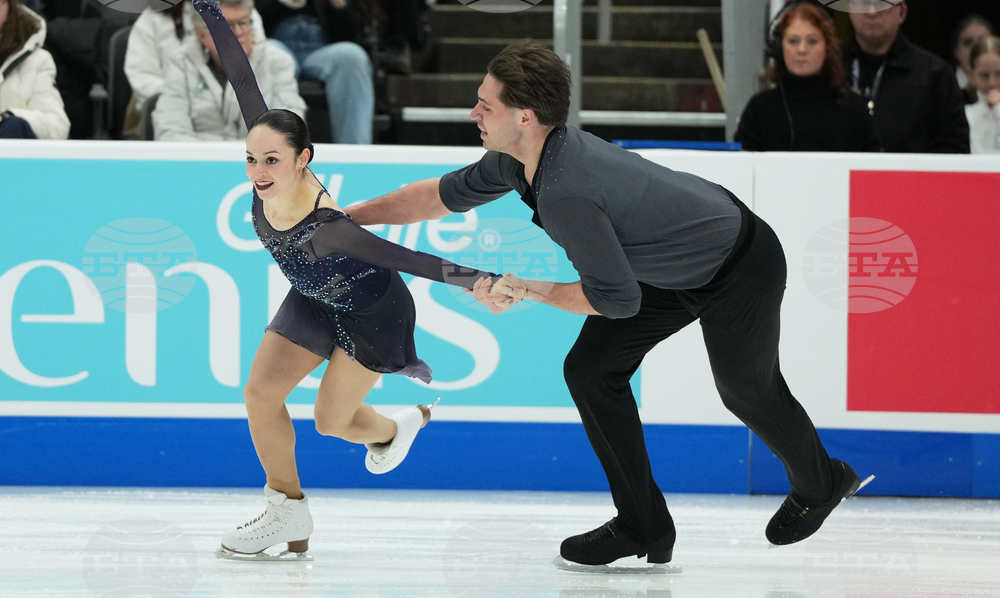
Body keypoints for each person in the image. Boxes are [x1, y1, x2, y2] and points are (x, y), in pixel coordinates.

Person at [344, 38, 867, 569]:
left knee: (747, 392)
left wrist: (524, 287)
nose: (473, 112)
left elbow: (614, 300)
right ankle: (644, 524)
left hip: (738, 263)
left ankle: (821, 483)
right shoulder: (513, 161)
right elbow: (437, 196)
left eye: (486, 104)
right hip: (665, 262)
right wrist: (350, 217)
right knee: (592, 370)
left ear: (525, 117)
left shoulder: (565, 190)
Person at [186, 0, 497, 559]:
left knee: (332, 422)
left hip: (373, 313)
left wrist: (477, 278)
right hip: (315, 295)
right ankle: (286, 510)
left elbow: (407, 259)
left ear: (304, 158)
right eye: (250, 159)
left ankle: (398, 426)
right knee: (260, 393)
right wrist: (207, 4)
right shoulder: (269, 142)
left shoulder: (328, 228)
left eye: (271, 161)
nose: (258, 172)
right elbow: (242, 77)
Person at [125, 0, 266, 136]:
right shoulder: (154, 17)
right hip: (174, 116)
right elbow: (142, 78)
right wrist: (186, 96)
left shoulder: (243, 11)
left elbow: (260, 64)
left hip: (238, 121)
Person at [246, 0, 377, 144]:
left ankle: (355, 154)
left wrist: (337, 0)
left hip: (324, 48)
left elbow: (357, 32)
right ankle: (274, 152)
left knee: (353, 57)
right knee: (268, 54)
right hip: (277, 40)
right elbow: (252, 17)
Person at [153, 0, 305, 141]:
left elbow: (288, 134)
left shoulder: (278, 62)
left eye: (243, 23)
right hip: (198, 156)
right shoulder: (181, 63)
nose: (238, 33)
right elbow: (170, 132)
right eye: (227, 26)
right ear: (202, 35)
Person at [842, 0, 969, 154]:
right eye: (863, 3)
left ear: (902, 12)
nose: (872, 12)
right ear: (850, 10)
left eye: (882, 3)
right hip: (837, 170)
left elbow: (955, 147)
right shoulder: (828, 67)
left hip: (910, 172)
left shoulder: (933, 73)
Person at [735, 3, 880, 152]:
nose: (802, 50)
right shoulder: (759, 110)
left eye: (812, 41)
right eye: (793, 41)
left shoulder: (854, 109)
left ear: (827, 48)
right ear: (779, 48)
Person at [0, 0, 70, 139]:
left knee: (14, 126)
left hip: (9, 150)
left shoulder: (36, 61)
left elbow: (57, 126)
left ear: (10, 5)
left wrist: (6, 118)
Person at [964, 36, 1000, 154]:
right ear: (971, 74)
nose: (992, 83)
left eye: (999, 74)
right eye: (984, 75)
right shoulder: (965, 116)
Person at [951, 15, 994, 94]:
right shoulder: (945, 89)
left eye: (982, 42)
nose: (975, 48)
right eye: (968, 42)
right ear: (956, 51)